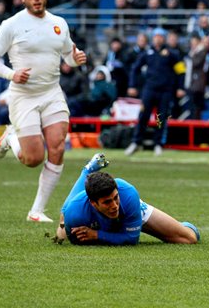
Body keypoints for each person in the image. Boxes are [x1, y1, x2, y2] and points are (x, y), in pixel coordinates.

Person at [0, 0, 87, 222]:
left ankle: (36, 211)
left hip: (52, 92)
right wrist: (11, 74)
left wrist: (76, 59)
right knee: (33, 159)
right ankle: (11, 138)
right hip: (24, 96)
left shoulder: (59, 23)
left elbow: (68, 56)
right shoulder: (11, 25)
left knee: (58, 147)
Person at [55, 153, 199, 245]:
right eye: (107, 202)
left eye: (115, 198)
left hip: (129, 210)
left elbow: (131, 238)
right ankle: (87, 171)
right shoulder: (75, 213)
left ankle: (180, 225)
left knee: (189, 238)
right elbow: (77, 241)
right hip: (78, 206)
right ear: (94, 203)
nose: (114, 206)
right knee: (61, 234)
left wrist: (97, 234)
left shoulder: (128, 195)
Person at [124, 28, 185, 156]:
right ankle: (136, 142)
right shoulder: (147, 53)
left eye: (161, 36)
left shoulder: (171, 54)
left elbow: (181, 71)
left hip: (165, 91)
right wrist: (132, 85)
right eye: (156, 36)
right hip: (149, 89)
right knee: (143, 116)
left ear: (164, 38)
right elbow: (135, 69)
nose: (158, 39)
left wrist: (180, 87)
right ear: (153, 38)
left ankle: (158, 144)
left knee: (161, 118)